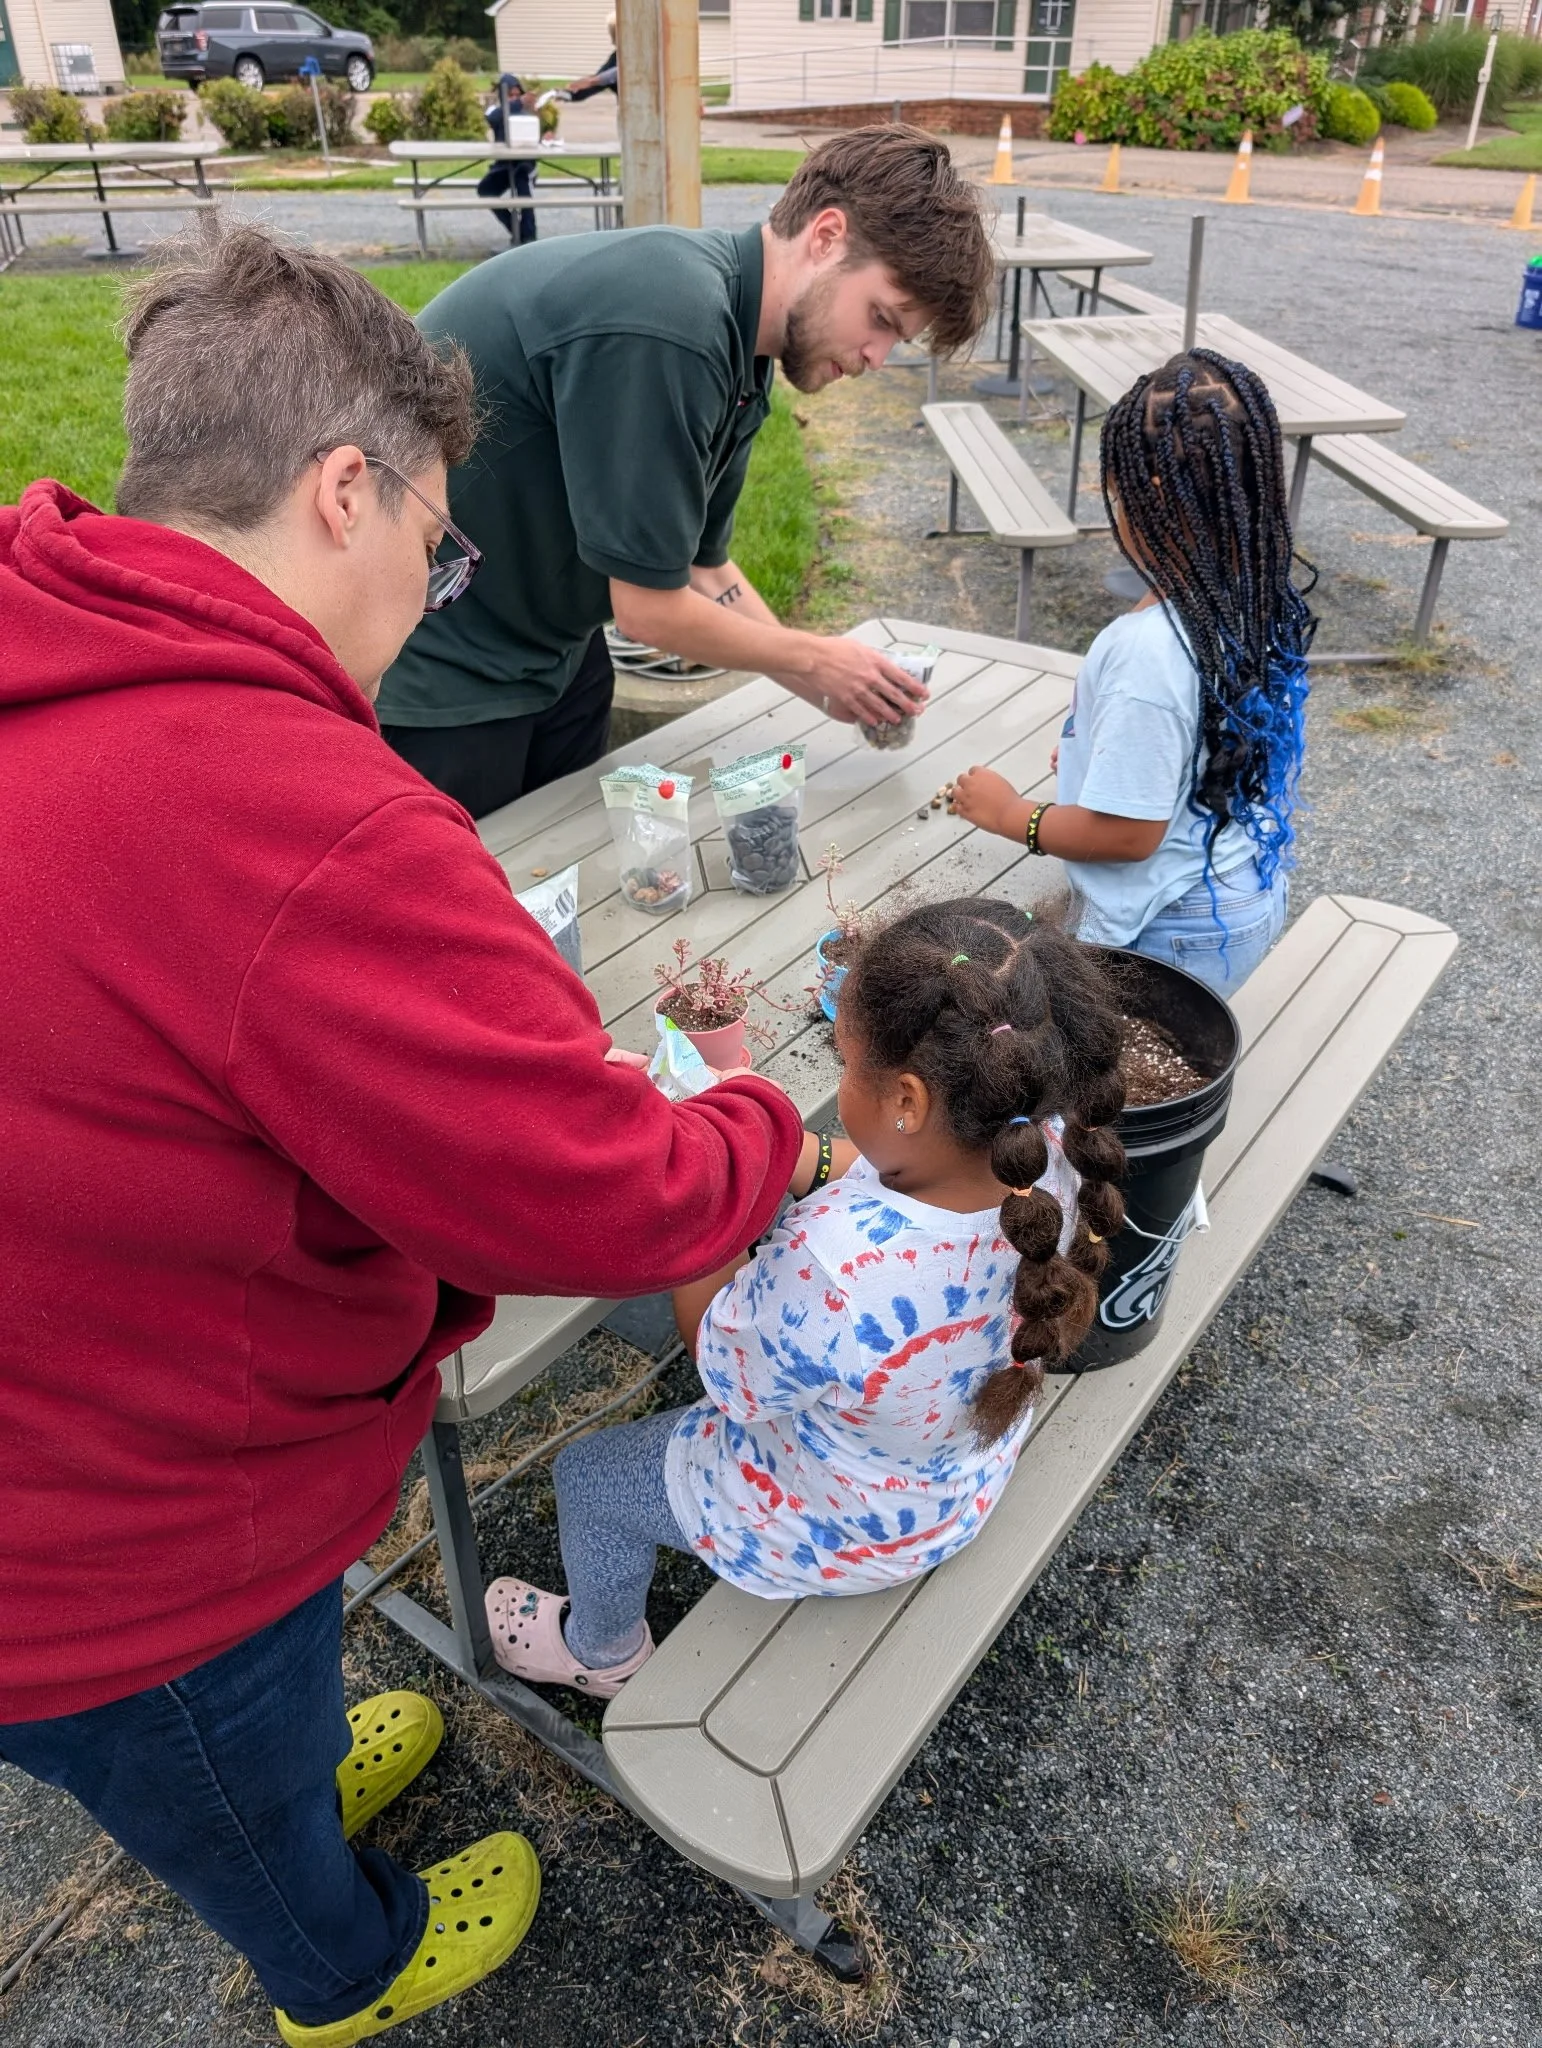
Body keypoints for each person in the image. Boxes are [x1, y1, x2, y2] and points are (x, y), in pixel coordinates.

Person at [0, 222, 805, 2047]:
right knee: (227, 1790)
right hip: (116, 1553)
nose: (436, 598)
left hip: (58, 1398)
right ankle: (339, 1963)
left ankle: (275, 1769)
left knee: (240, 1733)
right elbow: (597, 1188)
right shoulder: (303, 814)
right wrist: (761, 1118)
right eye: (444, 556)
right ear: (344, 493)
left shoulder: (49, 638)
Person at [482, 900, 1127, 1695]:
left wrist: (697, 1192)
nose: (839, 1076)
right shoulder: (1051, 1156)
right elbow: (904, 1170)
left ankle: (600, 1652)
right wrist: (803, 1153)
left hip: (840, 1524)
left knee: (588, 1477)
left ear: (909, 1102)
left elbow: (727, 1378)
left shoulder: (834, 1262)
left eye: (845, 1061)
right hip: (956, 1475)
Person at [376, 125, 996, 819]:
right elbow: (648, 610)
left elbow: (705, 568)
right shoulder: (673, 324)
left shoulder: (745, 353)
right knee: (479, 901)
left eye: (896, 339)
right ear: (825, 237)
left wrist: (827, 689)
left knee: (584, 872)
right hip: (441, 660)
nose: (877, 355)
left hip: (555, 643)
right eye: (881, 317)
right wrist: (817, 659)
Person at [950, 350, 1317, 994]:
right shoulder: (1246, 594)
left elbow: (1127, 834)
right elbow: (1196, 740)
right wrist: (1102, 760)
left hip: (1167, 927)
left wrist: (1013, 814)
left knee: (1119, 1082)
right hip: (1233, 888)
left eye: (1114, 494)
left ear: (1148, 501)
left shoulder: (1148, 650)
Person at [478, 73, 542, 247]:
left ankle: (529, 238)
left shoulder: (527, 111)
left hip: (525, 165)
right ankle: (517, 230)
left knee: (523, 186)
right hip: (503, 166)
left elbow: (539, 134)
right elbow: (494, 118)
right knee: (485, 190)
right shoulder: (494, 110)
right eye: (510, 95)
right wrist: (518, 103)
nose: (514, 98)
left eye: (517, 94)